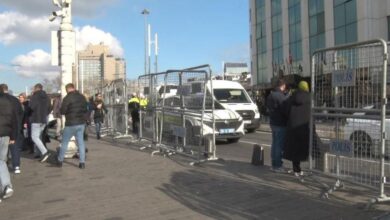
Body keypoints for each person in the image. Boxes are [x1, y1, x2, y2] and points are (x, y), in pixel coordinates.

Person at [283, 81, 311, 177]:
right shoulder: (310, 97)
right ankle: (310, 169)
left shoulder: (292, 97)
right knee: (307, 147)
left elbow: (286, 111)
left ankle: (296, 169)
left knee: (295, 148)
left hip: (293, 126)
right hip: (305, 126)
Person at [56, 83, 88, 169]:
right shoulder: (82, 97)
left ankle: (60, 160)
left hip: (70, 123)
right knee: (80, 143)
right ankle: (82, 163)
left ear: (67, 89)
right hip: (81, 123)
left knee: (64, 142)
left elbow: (62, 111)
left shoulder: (67, 98)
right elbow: (86, 109)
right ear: (74, 88)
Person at [0, 84, 23, 174]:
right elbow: (21, 112)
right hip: (15, 126)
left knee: (3, 149)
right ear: (7, 89)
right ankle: (16, 166)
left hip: (3, 127)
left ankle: (4, 164)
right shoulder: (15, 100)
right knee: (14, 147)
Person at [266, 78, 288, 172]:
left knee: (274, 144)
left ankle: (274, 164)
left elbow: (266, 108)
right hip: (280, 123)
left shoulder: (270, 95)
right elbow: (285, 110)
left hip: (273, 122)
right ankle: (278, 166)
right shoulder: (281, 96)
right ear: (282, 86)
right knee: (279, 145)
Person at [0, 88, 18, 200]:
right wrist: (13, 136)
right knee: (1, 161)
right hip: (6, 134)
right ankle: (7, 185)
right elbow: (14, 120)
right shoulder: (8, 102)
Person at [29, 83, 51, 163]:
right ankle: (39, 153)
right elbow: (50, 108)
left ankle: (45, 152)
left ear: (35, 88)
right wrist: (45, 114)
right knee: (39, 137)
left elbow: (31, 107)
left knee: (34, 137)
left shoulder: (34, 96)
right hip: (43, 119)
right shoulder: (47, 97)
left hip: (35, 119)